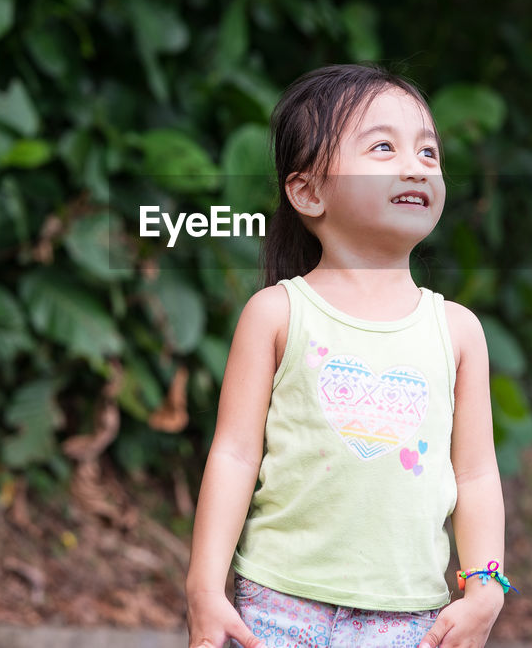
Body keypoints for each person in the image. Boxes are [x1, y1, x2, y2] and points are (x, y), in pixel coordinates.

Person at [186, 64, 509, 648]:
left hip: (410, 618)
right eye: (383, 147)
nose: (416, 165)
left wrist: (486, 585)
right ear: (308, 190)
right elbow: (234, 455)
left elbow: (477, 473)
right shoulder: (278, 314)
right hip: (278, 604)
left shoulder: (457, 332)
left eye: (429, 153)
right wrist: (204, 589)